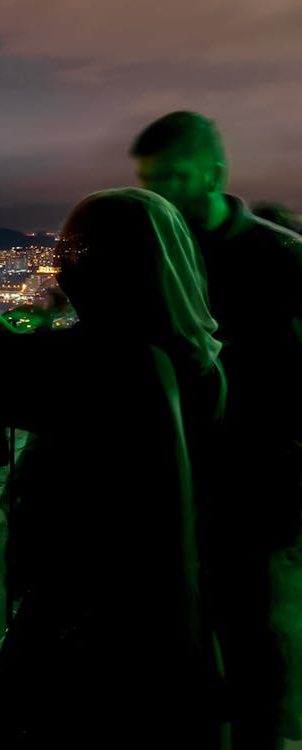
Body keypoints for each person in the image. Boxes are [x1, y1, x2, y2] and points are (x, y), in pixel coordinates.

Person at [0, 188, 226, 749]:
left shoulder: (111, 360)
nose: (66, 263)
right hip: (170, 598)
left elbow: (6, 377)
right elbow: (48, 377)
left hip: (93, 612)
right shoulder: (188, 354)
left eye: (76, 251)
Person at [132, 111, 302, 749]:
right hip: (181, 480)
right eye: (154, 181)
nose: (166, 193)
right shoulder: (163, 255)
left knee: (255, 634)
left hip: (259, 485)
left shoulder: (281, 259)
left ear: (215, 173)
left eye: (176, 176)